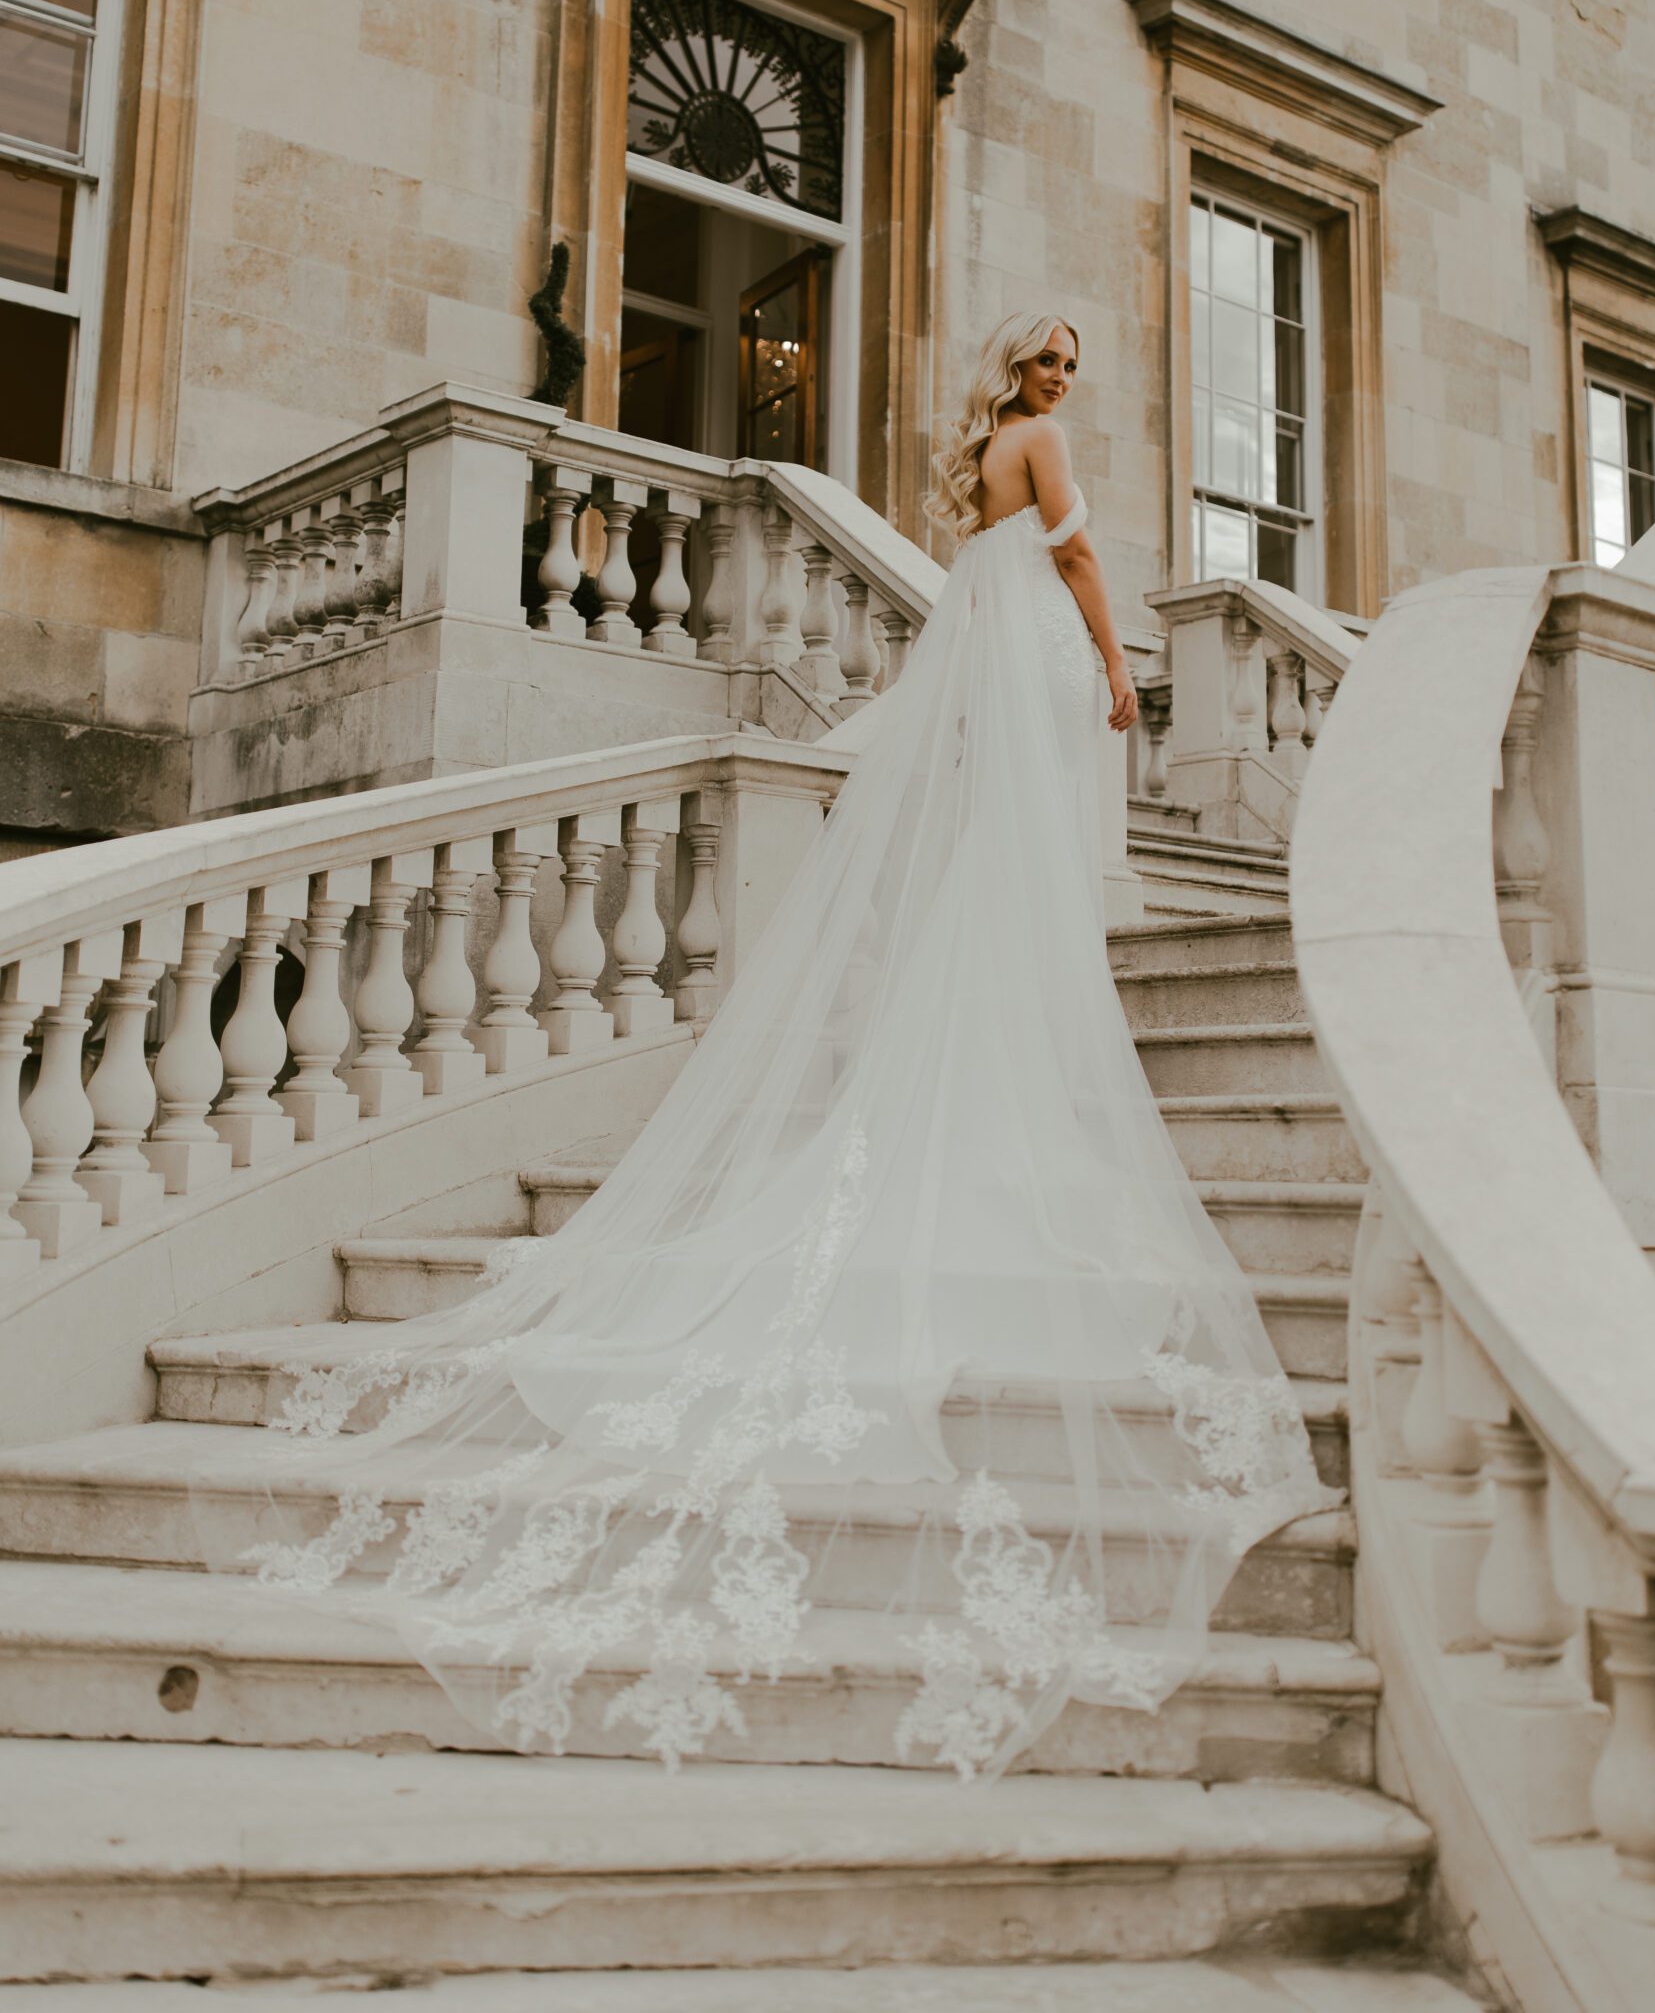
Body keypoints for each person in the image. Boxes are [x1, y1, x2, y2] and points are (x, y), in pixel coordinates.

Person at [196, 311, 1332, 1778]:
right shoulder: (1042, 450)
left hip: (1005, 670)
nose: (1061, 380)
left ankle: (1005, 1116)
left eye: (1070, 364)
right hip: (1047, 661)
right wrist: (1120, 672)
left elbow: (995, 580)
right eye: (1047, 360)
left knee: (1010, 893)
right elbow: (1080, 564)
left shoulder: (985, 454)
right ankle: (1013, 1126)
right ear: (1019, 372)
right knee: (1027, 889)